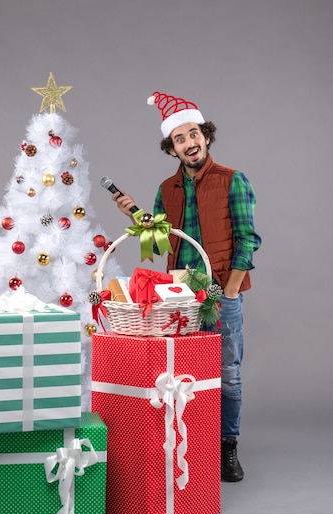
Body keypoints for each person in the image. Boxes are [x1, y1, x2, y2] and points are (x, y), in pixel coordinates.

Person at [111, 90, 261, 482]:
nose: (189, 143)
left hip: (218, 293)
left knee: (227, 373)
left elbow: (248, 240)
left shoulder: (233, 180)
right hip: (179, 295)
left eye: (193, 134)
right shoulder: (167, 189)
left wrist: (228, 291)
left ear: (205, 136)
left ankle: (226, 448)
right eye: (179, 139)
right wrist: (138, 217)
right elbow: (163, 239)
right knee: (184, 374)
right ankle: (192, 446)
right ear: (171, 148)